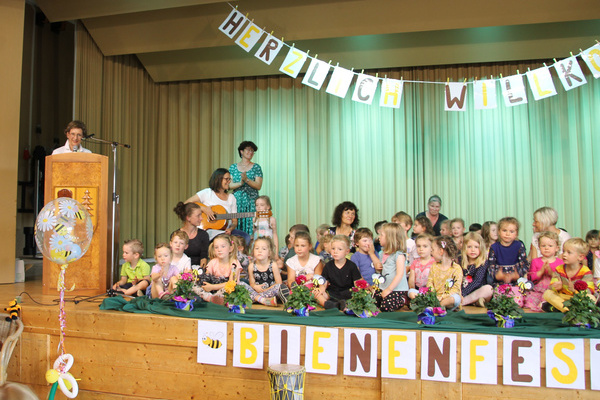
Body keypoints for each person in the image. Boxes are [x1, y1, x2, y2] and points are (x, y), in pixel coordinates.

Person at [185, 168, 250, 244]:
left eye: (229, 179)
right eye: (226, 179)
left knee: (246, 237)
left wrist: (231, 229)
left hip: (226, 231)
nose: (229, 182)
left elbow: (234, 221)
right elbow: (186, 203)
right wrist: (204, 209)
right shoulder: (207, 193)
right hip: (209, 230)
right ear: (218, 179)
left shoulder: (231, 198)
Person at [542, 238, 595, 312]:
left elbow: (589, 291)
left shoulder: (586, 272)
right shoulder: (559, 269)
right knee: (547, 293)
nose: (564, 255)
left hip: (577, 298)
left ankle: (561, 309)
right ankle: (570, 310)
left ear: (580, 257)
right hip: (562, 298)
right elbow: (551, 287)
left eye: (569, 252)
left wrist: (574, 290)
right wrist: (557, 287)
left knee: (591, 298)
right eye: (564, 251)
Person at [487, 217, 529, 306]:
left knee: (517, 300)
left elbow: (524, 264)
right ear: (498, 231)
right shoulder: (494, 247)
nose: (507, 234)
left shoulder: (519, 245)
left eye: (511, 231)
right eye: (504, 230)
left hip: (516, 279)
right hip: (499, 279)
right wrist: (499, 276)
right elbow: (491, 266)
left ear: (516, 233)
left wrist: (515, 276)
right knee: (498, 300)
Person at [314, 235, 362, 310]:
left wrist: (358, 293)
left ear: (347, 251)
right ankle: (332, 305)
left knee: (361, 295)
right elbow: (323, 282)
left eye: (340, 249)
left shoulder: (352, 266)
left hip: (348, 294)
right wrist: (321, 290)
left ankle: (344, 305)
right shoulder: (328, 265)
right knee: (316, 294)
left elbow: (357, 283)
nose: (335, 251)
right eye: (333, 249)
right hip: (332, 294)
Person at [194, 233, 242, 305]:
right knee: (194, 286)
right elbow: (206, 277)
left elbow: (231, 283)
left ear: (230, 248)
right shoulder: (212, 262)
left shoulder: (234, 263)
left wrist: (212, 287)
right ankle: (210, 298)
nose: (219, 250)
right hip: (212, 289)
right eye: (216, 247)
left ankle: (215, 299)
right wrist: (203, 283)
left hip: (225, 288)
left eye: (223, 247)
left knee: (230, 290)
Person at [229, 141, 263, 236]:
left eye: (252, 151)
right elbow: (229, 185)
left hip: (251, 202)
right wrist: (240, 183)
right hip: (237, 202)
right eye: (248, 150)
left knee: (251, 228)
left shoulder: (256, 167)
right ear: (241, 151)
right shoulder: (233, 167)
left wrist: (247, 180)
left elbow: (258, 185)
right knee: (236, 228)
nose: (250, 152)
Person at [524, 231, 564, 311]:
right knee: (529, 302)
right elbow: (531, 279)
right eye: (543, 246)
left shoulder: (560, 262)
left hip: (553, 292)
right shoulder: (535, 261)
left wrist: (551, 273)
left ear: (557, 248)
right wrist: (541, 272)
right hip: (538, 291)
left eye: (550, 246)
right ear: (539, 247)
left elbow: (562, 279)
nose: (546, 248)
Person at [373, 223, 408, 312]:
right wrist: (378, 268)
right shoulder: (382, 253)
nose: (379, 237)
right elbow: (383, 271)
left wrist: (389, 290)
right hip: (383, 287)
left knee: (386, 307)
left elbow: (399, 275)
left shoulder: (399, 255)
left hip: (395, 289)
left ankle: (402, 300)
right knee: (372, 304)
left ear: (390, 238)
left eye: (382, 235)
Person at [241, 237, 282, 306]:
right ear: (253, 251)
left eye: (264, 249)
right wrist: (255, 286)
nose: (260, 251)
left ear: (269, 253)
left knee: (279, 287)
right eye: (257, 248)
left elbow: (279, 282)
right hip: (256, 292)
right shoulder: (251, 266)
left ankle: (256, 299)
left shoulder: (273, 265)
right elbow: (252, 284)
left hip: (269, 292)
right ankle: (262, 300)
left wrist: (267, 290)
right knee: (241, 284)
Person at [427, 236, 463, 310]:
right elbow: (429, 283)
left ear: (441, 251)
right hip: (435, 297)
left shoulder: (456, 268)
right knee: (411, 292)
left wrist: (442, 297)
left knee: (456, 298)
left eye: (432, 250)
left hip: (448, 299)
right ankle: (436, 306)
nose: (431, 253)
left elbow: (456, 289)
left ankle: (437, 306)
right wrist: (434, 296)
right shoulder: (434, 266)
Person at [460, 233, 493, 306]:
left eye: (476, 247)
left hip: (476, 291)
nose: (473, 250)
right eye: (469, 247)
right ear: (464, 247)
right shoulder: (460, 261)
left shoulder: (483, 263)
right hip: (461, 291)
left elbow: (477, 281)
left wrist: (463, 293)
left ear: (481, 248)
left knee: (488, 289)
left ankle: (462, 302)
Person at [173, 202, 209, 268]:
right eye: (198, 215)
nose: (201, 218)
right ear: (188, 218)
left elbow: (204, 257)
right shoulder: (176, 235)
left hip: (197, 269)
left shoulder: (204, 235)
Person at [407, 234, 435, 300]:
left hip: (430, 290)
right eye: (418, 246)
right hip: (418, 290)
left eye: (425, 246)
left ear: (431, 248)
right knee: (411, 292)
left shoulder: (434, 262)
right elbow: (411, 280)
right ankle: (421, 300)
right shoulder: (415, 262)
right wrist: (412, 288)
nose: (421, 249)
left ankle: (425, 300)